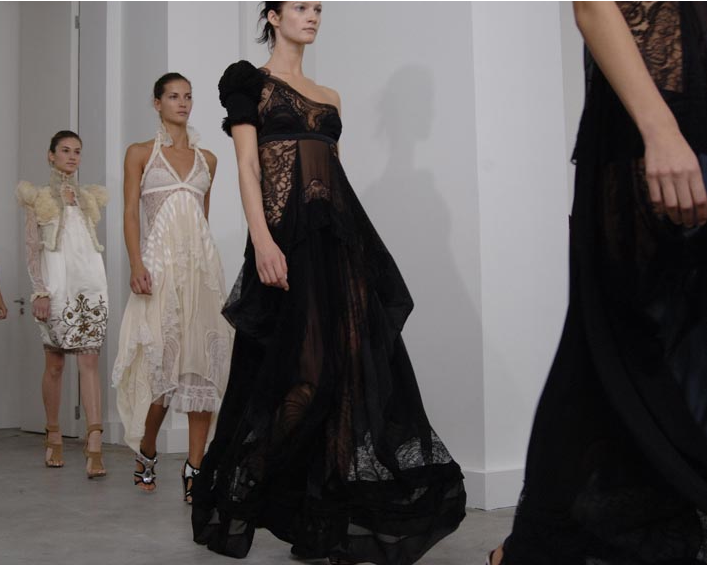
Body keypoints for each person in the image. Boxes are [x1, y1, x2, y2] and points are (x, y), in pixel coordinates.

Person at [191, 2, 466, 563]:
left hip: (337, 245)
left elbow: (332, 174)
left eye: (318, 8)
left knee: (345, 373)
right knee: (301, 376)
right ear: (273, 16)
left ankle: (323, 520)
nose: (313, 16)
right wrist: (262, 241)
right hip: (284, 243)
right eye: (301, 7)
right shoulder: (248, 82)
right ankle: (244, 485)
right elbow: (248, 167)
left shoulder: (331, 97)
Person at [492, 2, 707, 563]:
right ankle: (538, 543)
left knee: (663, 343)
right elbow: (592, 5)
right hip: (653, 123)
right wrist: (660, 131)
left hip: (691, 102)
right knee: (615, 342)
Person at [111, 73, 234, 503]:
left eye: (188, 97)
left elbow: (202, 219)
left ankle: (195, 469)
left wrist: (204, 270)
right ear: (157, 102)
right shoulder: (140, 154)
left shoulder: (208, 160)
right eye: (173, 96)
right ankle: (147, 450)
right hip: (159, 273)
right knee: (160, 375)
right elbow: (130, 213)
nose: (182, 103)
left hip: (202, 275)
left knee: (203, 371)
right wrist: (136, 263)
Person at [17, 130, 109, 478]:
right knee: (55, 363)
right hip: (56, 287)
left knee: (90, 360)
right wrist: (39, 291)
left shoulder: (87, 199)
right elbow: (32, 249)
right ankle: (53, 433)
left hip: (91, 284)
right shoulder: (39, 198)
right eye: (65, 150)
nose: (72, 157)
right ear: (51, 155)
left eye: (77, 151)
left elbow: (86, 245)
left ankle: (95, 442)